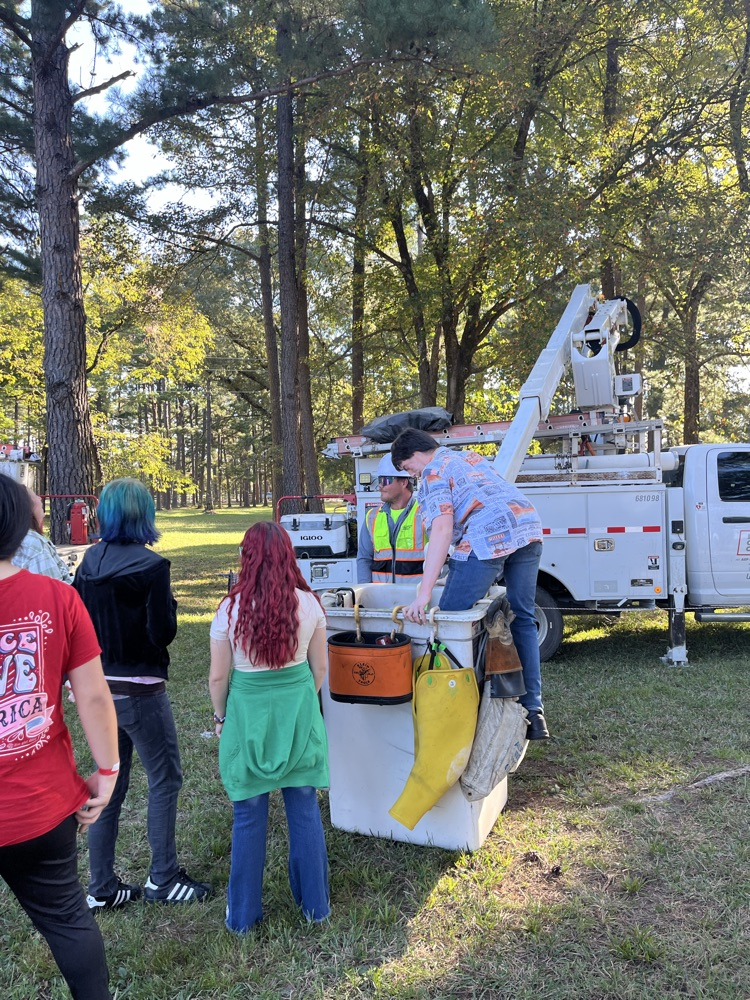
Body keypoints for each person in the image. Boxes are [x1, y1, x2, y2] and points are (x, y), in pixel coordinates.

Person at [0, 474, 119, 1000]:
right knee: (68, 920)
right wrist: (109, 771)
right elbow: (92, 695)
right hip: (41, 806)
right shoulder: (55, 597)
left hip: (36, 803)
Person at [73, 478, 212, 909]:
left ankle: (101, 888)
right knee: (166, 778)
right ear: (144, 514)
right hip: (141, 690)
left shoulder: (88, 562)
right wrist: (167, 606)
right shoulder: (152, 567)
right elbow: (162, 633)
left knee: (111, 782)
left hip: (98, 690)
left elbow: (79, 627)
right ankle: (164, 877)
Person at [209, 520, 330, 933]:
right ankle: (316, 907)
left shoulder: (230, 608)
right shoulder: (310, 604)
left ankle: (242, 917)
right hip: (297, 711)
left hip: (248, 717)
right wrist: (301, 704)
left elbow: (217, 679)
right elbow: (320, 670)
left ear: (247, 558)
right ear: (287, 556)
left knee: (248, 815)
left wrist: (221, 718)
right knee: (304, 808)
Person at [391, 428, 549, 740]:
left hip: (487, 537)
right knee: (524, 618)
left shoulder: (432, 472)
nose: (411, 475)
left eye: (408, 468)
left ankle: (461, 709)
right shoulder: (470, 458)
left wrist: (424, 594)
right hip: (527, 525)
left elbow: (442, 530)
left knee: (449, 621)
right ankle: (533, 710)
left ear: (414, 456)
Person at [357, 454, 427, 584]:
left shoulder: (425, 513)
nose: (380, 486)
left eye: (386, 480)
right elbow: (364, 559)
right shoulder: (372, 517)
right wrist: (364, 592)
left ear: (403, 482)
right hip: (381, 599)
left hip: (415, 600)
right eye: (379, 480)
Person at [11, 487, 74, 582]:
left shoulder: (13, 537)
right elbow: (54, 591)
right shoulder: (34, 545)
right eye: (35, 496)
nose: (40, 498)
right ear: (25, 506)